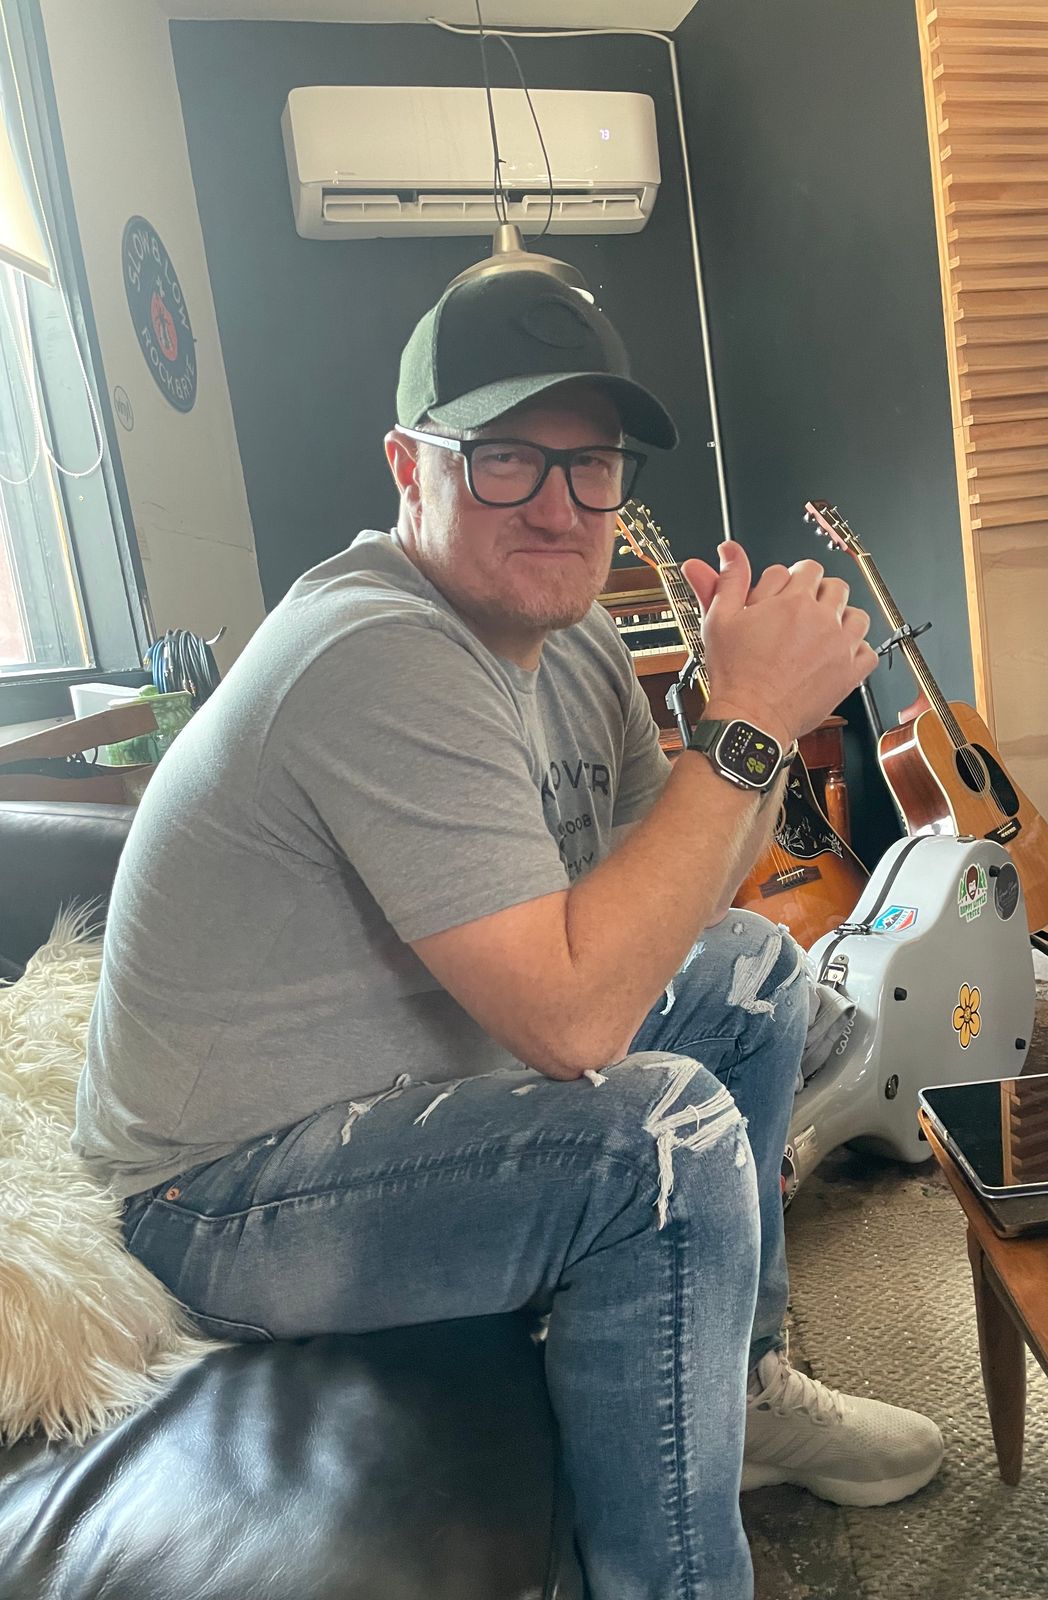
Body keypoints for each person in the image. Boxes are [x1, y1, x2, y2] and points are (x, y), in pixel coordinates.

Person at [74, 269, 944, 1600]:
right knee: (660, 1144)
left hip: (403, 1082)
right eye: (504, 459)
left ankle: (741, 1391)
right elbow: (577, 1019)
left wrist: (741, 714)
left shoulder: (577, 647)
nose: (557, 506)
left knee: (753, 976)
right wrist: (752, 721)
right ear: (407, 467)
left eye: (590, 466)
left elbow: (687, 905)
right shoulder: (374, 650)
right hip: (219, 1193)